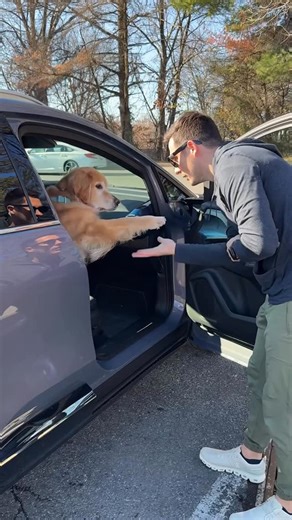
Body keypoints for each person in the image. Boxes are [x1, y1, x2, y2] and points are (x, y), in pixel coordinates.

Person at [132, 111, 292, 519]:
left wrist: (222, 247)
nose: (175, 168)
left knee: (282, 402)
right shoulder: (246, 160)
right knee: (259, 375)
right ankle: (251, 457)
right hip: (279, 292)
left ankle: (287, 505)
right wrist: (177, 250)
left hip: (290, 294)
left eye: (173, 159)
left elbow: (257, 243)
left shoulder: (234, 165)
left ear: (192, 148)